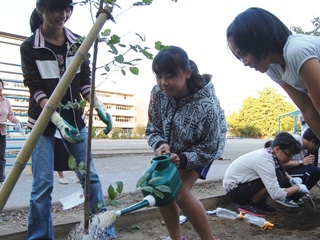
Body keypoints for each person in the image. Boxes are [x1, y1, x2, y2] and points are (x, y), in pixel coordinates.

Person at [20, 0, 116, 239]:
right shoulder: (30, 47)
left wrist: (99, 105)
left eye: (67, 9)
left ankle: (103, 234)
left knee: (90, 179)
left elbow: (84, 82)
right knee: (42, 186)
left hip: (76, 122)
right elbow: (36, 89)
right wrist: (57, 121)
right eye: (56, 9)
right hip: (41, 125)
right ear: (41, 10)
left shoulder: (78, 43)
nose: (63, 15)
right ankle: (40, 237)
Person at [146, 46, 227, 240]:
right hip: (173, 149)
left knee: (180, 192)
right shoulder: (157, 93)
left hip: (202, 149)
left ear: (187, 73)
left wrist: (182, 160)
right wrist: (161, 144)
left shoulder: (206, 105)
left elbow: (211, 146)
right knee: (161, 187)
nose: (163, 83)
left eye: (170, 76)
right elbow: (153, 127)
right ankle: (177, 238)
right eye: (159, 76)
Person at [226, 7, 320, 142]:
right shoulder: (273, 68)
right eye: (239, 57)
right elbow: (307, 109)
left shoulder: (296, 51)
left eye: (244, 54)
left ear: (260, 40)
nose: (245, 63)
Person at [223, 132, 309, 216]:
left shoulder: (270, 154)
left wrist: (291, 179)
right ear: (277, 149)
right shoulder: (265, 160)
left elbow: (282, 172)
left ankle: (259, 202)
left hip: (242, 185)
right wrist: (298, 188)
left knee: (279, 173)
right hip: (235, 190)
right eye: (289, 155)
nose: (291, 158)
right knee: (277, 176)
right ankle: (249, 204)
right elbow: (276, 195)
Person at [275, 129, 320, 208]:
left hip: (288, 173)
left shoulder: (306, 149)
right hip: (279, 174)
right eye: (318, 146)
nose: (317, 149)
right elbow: (279, 163)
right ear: (313, 141)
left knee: (315, 171)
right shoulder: (294, 142)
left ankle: (294, 197)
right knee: (315, 171)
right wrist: (301, 162)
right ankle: (285, 196)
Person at [0, 78, 23, 188]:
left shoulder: (6, 102)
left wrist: (17, 122)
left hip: (2, 132)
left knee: (1, 157)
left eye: (1, 86)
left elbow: (10, 115)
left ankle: (1, 179)